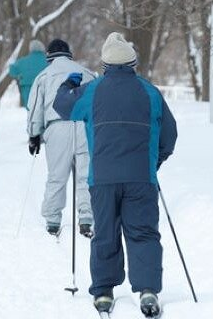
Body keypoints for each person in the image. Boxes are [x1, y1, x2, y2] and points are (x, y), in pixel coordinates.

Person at [53, 32, 177, 318]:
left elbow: (62, 106)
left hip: (103, 179)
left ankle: (104, 292)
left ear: (105, 64)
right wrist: (152, 163)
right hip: (141, 178)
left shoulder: (92, 90)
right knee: (143, 233)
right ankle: (147, 291)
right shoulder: (150, 92)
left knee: (105, 234)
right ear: (133, 63)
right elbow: (169, 136)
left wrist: (70, 82)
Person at [27, 39, 95, 237]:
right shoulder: (88, 73)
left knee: (57, 176)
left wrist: (34, 135)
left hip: (56, 127)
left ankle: (53, 221)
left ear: (49, 56)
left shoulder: (44, 76)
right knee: (85, 175)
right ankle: (86, 219)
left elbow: (35, 109)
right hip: (83, 125)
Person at [9, 40, 48, 108]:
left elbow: (12, 71)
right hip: (45, 87)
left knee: (31, 110)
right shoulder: (49, 61)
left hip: (28, 88)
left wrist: (19, 76)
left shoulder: (23, 61)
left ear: (30, 49)